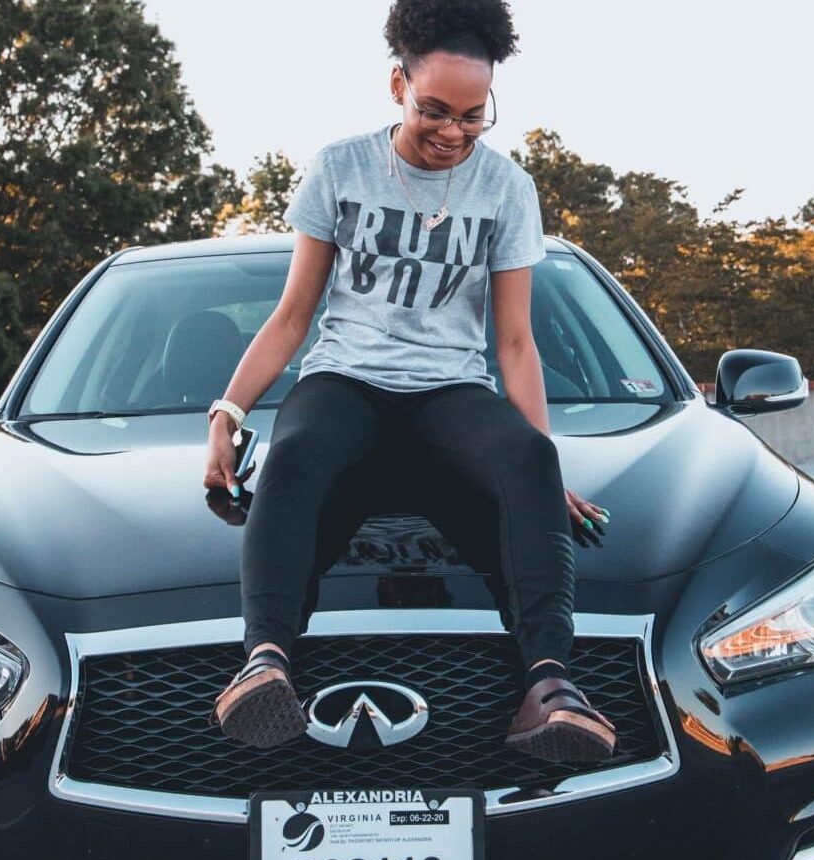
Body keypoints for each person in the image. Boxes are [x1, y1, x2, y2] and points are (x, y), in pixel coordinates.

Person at [202, 0, 617, 764]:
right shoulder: (340, 167)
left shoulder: (506, 189)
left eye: (472, 115)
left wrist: (540, 462)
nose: (452, 132)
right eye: (434, 109)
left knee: (528, 460)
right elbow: (294, 315)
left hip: (448, 394)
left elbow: (516, 342)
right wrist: (228, 410)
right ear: (398, 85)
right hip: (345, 382)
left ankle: (550, 688)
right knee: (294, 454)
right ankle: (264, 663)